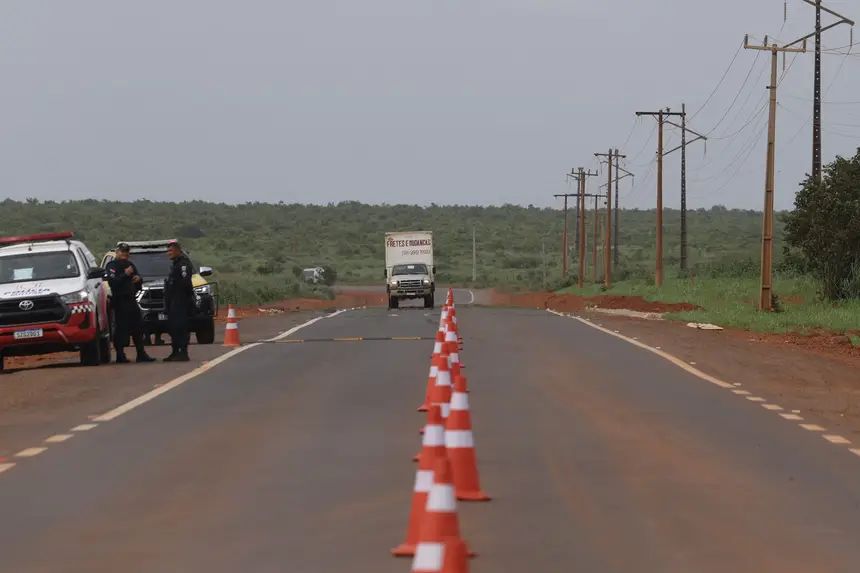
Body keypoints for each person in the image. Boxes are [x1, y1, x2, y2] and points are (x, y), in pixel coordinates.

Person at [104, 244, 155, 363]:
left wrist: (138, 280)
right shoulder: (112, 266)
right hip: (119, 301)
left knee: (138, 326)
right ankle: (120, 355)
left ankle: (141, 353)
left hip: (131, 300)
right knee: (121, 328)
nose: (125, 254)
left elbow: (137, 281)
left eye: (126, 252)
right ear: (117, 252)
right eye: (122, 252)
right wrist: (125, 275)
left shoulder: (130, 265)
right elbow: (113, 282)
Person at [163, 240, 194, 362]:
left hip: (180, 300)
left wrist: (181, 297)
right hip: (173, 301)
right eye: (168, 251)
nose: (169, 253)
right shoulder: (175, 264)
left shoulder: (183, 264)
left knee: (180, 326)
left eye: (171, 251)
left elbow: (185, 282)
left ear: (178, 250)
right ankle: (175, 351)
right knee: (173, 327)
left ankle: (183, 352)